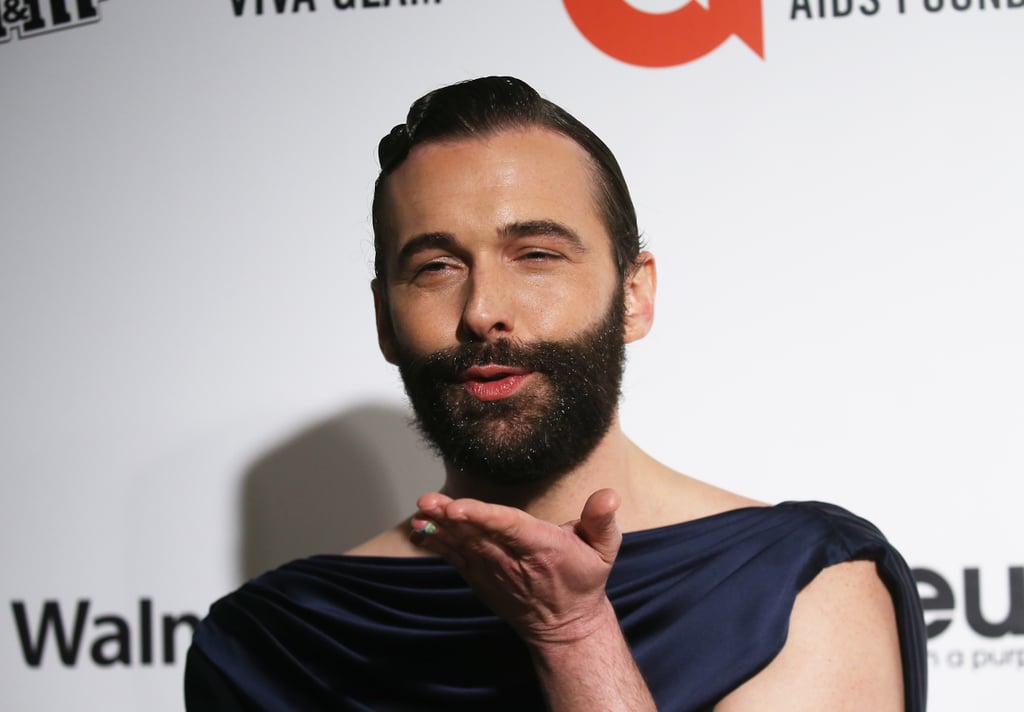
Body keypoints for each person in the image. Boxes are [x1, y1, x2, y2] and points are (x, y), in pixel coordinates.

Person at [185, 76, 926, 711]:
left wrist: (574, 633)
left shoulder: (799, 583)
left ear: (633, 297)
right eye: (437, 267)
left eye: (536, 256)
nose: (482, 311)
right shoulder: (272, 642)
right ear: (385, 319)